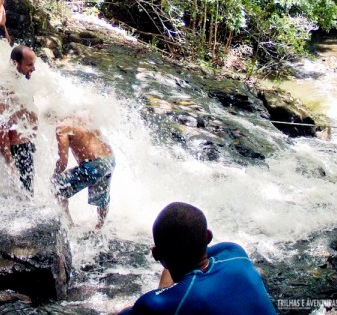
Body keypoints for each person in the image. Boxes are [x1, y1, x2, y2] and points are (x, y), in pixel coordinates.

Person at [119, 202, 277, 315]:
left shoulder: (156, 304)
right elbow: (191, 254)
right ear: (208, 236)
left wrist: (162, 292)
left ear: (156, 255)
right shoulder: (234, 253)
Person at [52, 113, 115, 229]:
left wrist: (55, 174)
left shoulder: (62, 127)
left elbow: (63, 162)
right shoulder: (85, 116)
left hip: (93, 165)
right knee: (102, 198)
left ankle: (69, 225)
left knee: (57, 187)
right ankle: (99, 227)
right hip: (109, 160)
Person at [0, 45, 38, 193]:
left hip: (26, 146)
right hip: (18, 151)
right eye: (29, 64)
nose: (33, 69)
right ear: (15, 64)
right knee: (25, 197)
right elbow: (0, 125)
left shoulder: (19, 81)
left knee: (27, 195)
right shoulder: (6, 87)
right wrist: (9, 161)